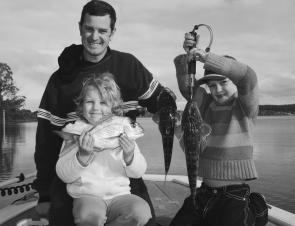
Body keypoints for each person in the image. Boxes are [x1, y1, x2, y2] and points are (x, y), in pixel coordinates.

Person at [32, 1, 176, 225]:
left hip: (119, 174)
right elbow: (46, 140)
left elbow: (162, 100)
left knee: (144, 217)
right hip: (76, 178)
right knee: (68, 218)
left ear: (112, 32)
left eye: (102, 30)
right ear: (80, 28)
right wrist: (44, 193)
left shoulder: (128, 65)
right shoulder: (60, 79)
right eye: (89, 28)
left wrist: (169, 111)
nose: (94, 36)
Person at [169, 33, 268, 226]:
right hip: (204, 191)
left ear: (235, 83)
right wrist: (186, 58)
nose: (218, 90)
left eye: (224, 83)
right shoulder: (205, 105)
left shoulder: (244, 106)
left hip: (234, 193)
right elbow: (187, 89)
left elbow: (248, 77)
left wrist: (207, 58)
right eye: (212, 86)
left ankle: (257, 207)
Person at [55, 73, 152, 226]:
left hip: (120, 196)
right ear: (81, 105)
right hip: (87, 196)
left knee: (141, 212)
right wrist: (83, 156)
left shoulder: (124, 131)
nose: (96, 108)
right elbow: (63, 174)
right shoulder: (75, 131)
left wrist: (129, 156)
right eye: (89, 101)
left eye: (103, 102)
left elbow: (138, 172)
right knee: (89, 216)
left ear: (113, 106)